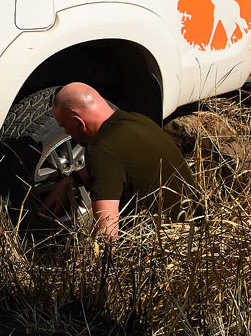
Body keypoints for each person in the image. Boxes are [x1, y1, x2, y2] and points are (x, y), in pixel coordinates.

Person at [45, 83, 195, 240]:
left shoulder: (100, 149)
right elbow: (119, 163)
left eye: (64, 126)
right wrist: (70, 181)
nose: (66, 132)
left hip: (164, 243)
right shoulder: (138, 120)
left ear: (78, 121)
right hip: (193, 228)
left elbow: (107, 236)